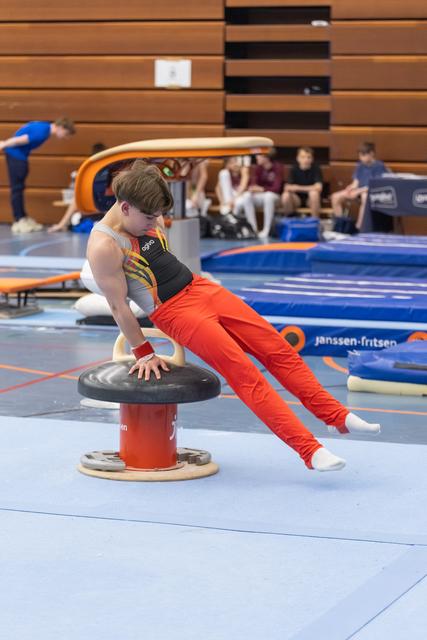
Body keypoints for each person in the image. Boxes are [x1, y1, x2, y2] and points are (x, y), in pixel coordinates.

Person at [86, 160, 381, 473]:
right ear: (125, 207)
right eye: (149, 216)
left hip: (201, 289)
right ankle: (309, 450)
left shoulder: (144, 214)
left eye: (158, 214)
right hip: (174, 312)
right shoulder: (104, 246)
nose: (155, 221)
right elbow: (119, 306)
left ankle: (336, 416)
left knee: (278, 348)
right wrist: (144, 352)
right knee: (246, 375)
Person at [0, 117, 76, 234]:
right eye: (65, 134)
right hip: (16, 157)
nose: (64, 138)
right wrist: (4, 144)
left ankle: (22, 217)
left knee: (19, 188)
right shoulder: (43, 132)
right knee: (17, 189)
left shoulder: (43, 126)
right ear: (61, 127)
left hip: (18, 156)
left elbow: (25, 129)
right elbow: (20, 139)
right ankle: (19, 219)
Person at [48, 143, 106, 233]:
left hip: (100, 214)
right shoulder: (89, 173)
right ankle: (63, 224)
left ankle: (63, 224)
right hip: (94, 214)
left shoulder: (105, 173)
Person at [331, 142, 388, 230]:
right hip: (358, 191)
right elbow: (356, 182)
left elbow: (375, 185)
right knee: (335, 197)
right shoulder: (360, 165)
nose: (361, 158)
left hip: (371, 192)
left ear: (372, 154)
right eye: (360, 155)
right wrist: (350, 187)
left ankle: (359, 227)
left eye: (363, 155)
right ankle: (340, 224)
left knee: (364, 196)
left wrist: (358, 191)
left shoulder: (379, 166)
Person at [240, 151, 283, 238]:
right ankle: (253, 228)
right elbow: (253, 184)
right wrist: (252, 188)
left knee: (269, 196)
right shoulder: (258, 168)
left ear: (266, 157)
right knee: (247, 196)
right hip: (261, 196)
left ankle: (267, 229)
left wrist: (262, 189)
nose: (257, 158)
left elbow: (277, 188)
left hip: (275, 197)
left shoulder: (277, 167)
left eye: (259, 156)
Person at [282, 147, 323, 217]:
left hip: (310, 200)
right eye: (303, 157)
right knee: (285, 195)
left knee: (314, 194)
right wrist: (310, 188)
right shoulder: (294, 169)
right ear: (298, 158)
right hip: (297, 199)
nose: (306, 160)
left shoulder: (316, 169)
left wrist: (297, 187)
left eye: (308, 157)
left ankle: (314, 222)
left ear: (312, 159)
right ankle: (289, 221)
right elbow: (287, 187)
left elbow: (319, 188)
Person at [215, 155, 250, 221]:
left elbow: (243, 187)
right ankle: (230, 218)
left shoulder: (243, 170)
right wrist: (222, 202)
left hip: (240, 196)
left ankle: (233, 220)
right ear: (228, 164)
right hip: (229, 200)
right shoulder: (226, 173)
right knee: (223, 173)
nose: (235, 164)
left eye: (236, 161)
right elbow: (217, 189)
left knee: (238, 203)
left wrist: (233, 200)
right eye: (231, 162)